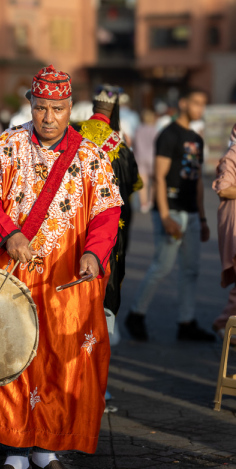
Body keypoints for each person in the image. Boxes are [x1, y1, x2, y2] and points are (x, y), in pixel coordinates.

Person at [0, 65, 123, 469]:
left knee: (62, 359)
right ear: (31, 106)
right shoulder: (7, 146)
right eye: (41, 108)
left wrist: (94, 254)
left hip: (66, 281)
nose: (49, 117)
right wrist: (9, 234)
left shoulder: (91, 156)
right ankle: (17, 452)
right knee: (16, 358)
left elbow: (108, 212)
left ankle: (47, 449)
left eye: (57, 108)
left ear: (71, 107)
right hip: (16, 276)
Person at [125, 88, 215, 342]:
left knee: (191, 270)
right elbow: (159, 177)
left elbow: (197, 181)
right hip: (171, 210)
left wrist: (203, 218)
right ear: (184, 103)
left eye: (203, 104)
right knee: (162, 266)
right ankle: (136, 314)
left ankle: (186, 322)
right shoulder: (169, 134)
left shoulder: (196, 139)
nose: (200, 108)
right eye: (196, 102)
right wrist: (164, 215)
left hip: (192, 213)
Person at [79, 84, 143, 320]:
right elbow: (134, 184)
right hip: (107, 224)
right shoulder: (120, 144)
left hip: (75, 218)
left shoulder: (73, 134)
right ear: (114, 109)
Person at [212, 122, 236, 343]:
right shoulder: (234, 154)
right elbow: (224, 188)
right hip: (235, 223)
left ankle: (227, 324)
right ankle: (226, 324)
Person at [133, 109, 157, 213]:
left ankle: (143, 204)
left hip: (140, 157)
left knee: (143, 182)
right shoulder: (156, 130)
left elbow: (134, 144)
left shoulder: (138, 130)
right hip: (153, 157)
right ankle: (151, 201)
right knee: (154, 181)